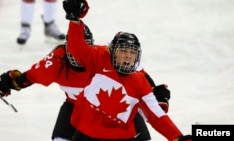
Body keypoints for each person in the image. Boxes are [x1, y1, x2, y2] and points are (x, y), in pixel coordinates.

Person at [0, 24, 170, 140]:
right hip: (76, 110)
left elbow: (138, 74)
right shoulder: (56, 62)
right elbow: (26, 78)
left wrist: (155, 93)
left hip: (116, 111)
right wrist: (7, 83)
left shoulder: (103, 57)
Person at [63, 0, 192, 140]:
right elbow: (77, 49)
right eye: (123, 51)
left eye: (132, 53)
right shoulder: (100, 59)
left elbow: (156, 115)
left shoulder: (139, 82)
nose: (128, 56)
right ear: (112, 51)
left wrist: (178, 137)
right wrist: (74, 20)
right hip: (87, 134)